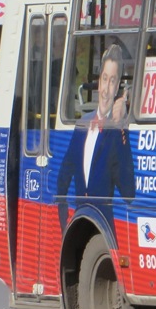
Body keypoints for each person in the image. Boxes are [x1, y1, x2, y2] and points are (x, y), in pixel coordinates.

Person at [56, 44, 135, 233]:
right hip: (78, 223)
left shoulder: (117, 133)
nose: (106, 90)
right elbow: (63, 176)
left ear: (117, 88)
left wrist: (121, 126)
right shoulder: (82, 124)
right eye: (104, 79)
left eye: (112, 81)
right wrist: (63, 221)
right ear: (99, 82)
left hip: (103, 229)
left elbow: (128, 193)